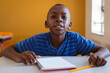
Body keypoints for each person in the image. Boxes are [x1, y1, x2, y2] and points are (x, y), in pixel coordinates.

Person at [3, 4, 110, 66]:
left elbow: (104, 49)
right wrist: (18, 57)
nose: (59, 19)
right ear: (46, 24)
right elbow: (6, 50)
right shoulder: (37, 40)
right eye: (53, 16)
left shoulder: (76, 39)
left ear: (70, 25)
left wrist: (98, 55)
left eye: (64, 17)